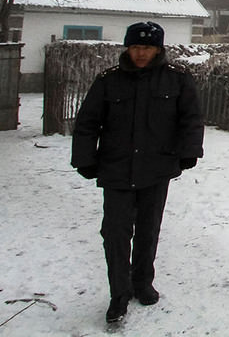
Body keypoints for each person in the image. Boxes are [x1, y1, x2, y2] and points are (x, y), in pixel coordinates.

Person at [71, 21, 204, 324]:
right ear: (127, 48)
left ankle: (142, 283)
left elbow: (191, 119)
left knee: (148, 231)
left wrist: (189, 151)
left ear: (159, 49)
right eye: (135, 47)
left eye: (147, 47)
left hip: (156, 169)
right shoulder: (108, 81)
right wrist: (85, 158)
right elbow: (88, 122)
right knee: (115, 234)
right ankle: (118, 295)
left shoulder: (177, 80)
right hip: (116, 169)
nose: (141, 53)